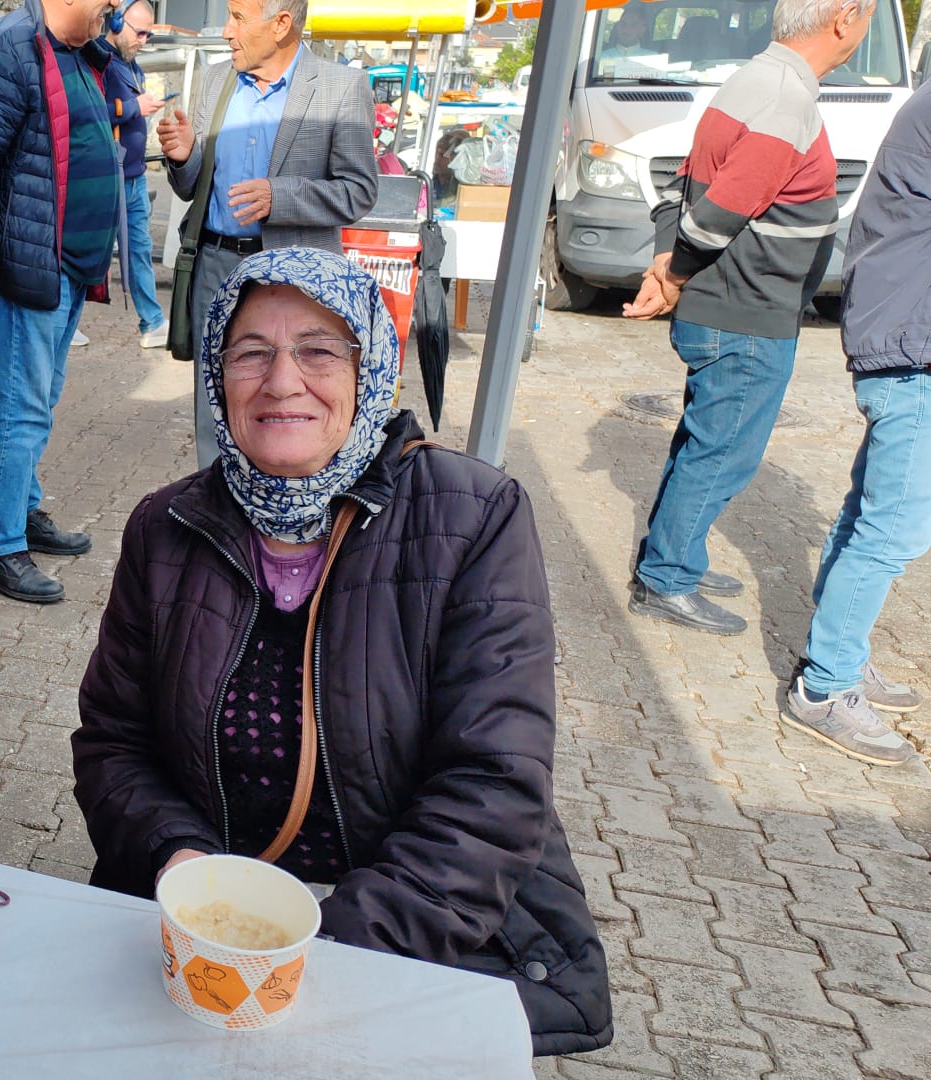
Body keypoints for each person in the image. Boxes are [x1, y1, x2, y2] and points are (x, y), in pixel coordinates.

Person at [71, 247, 610, 1056]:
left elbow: (493, 784)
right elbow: (114, 743)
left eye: (320, 350)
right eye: (250, 351)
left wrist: (334, 952)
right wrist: (181, 866)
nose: (282, 381)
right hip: (212, 924)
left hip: (405, 927)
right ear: (217, 377)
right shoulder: (165, 526)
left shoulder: (474, 518)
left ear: (372, 368)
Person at [622, 0, 876, 635]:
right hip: (745, 310)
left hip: (736, 303)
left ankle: (676, 554)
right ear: (844, 18)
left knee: (705, 439)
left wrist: (665, 262)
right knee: (724, 450)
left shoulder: (758, 78)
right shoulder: (785, 97)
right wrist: (673, 275)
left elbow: (687, 183)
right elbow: (717, 212)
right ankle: (667, 577)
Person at [0, 0, 131, 604]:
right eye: (105, 2)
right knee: (19, 411)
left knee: (41, 402)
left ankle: (22, 511)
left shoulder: (80, 53)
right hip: (32, 263)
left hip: (71, 266)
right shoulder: (5, 52)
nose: (112, 10)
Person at [154, 0, 377, 470]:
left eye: (238, 17)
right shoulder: (217, 80)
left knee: (284, 402)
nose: (226, 30)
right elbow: (194, 185)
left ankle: (285, 516)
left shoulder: (341, 86)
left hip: (293, 280)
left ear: (280, 24)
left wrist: (281, 196)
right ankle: (217, 518)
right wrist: (183, 157)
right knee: (215, 404)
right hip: (216, 265)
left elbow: (359, 191)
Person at [781, 81, 931, 767]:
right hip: (912, 352)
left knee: (866, 514)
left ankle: (840, 653)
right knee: (891, 529)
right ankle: (825, 688)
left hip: (903, 340)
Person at [101, 0, 168, 349]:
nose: (143, 39)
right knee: (92, 252)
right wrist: (133, 107)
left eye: (148, 33)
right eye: (138, 31)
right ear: (115, 22)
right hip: (106, 178)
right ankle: (63, 318)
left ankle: (152, 322)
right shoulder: (98, 60)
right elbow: (91, 112)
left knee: (139, 248)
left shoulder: (131, 65)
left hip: (134, 175)